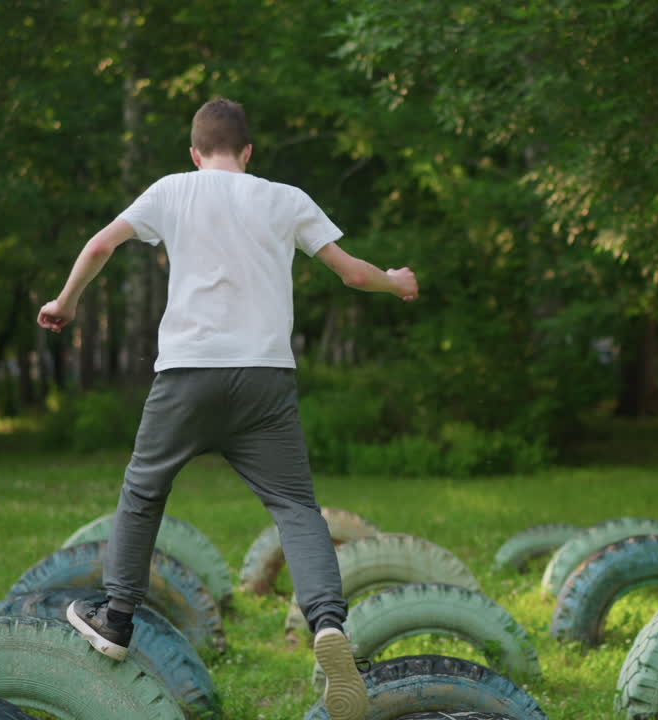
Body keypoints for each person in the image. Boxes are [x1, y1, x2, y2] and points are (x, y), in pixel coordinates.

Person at [36, 97, 417, 720]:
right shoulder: (285, 197)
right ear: (247, 153)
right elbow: (350, 274)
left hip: (187, 372)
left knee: (144, 490)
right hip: (264, 378)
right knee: (294, 504)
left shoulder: (172, 190)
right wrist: (397, 281)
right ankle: (327, 626)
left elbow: (103, 245)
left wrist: (66, 302)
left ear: (194, 153)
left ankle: (117, 617)